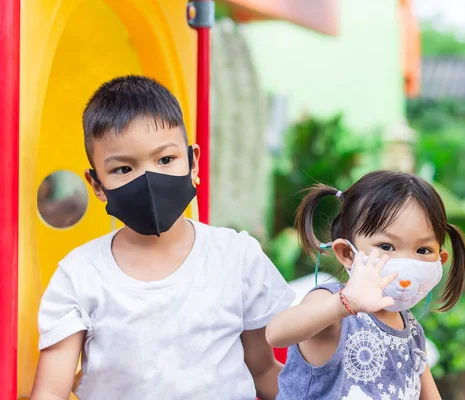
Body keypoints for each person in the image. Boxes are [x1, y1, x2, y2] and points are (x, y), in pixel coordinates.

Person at [30, 75, 295, 400]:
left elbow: (264, 372)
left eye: (165, 160)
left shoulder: (237, 258)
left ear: (193, 161)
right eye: (123, 169)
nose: (149, 180)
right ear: (97, 184)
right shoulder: (79, 275)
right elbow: (51, 392)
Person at [266, 171, 465, 399]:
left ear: (439, 261)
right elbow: (277, 333)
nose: (406, 263)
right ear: (347, 253)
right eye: (386, 246)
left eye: (423, 250)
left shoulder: (412, 331)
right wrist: (344, 304)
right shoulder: (334, 306)